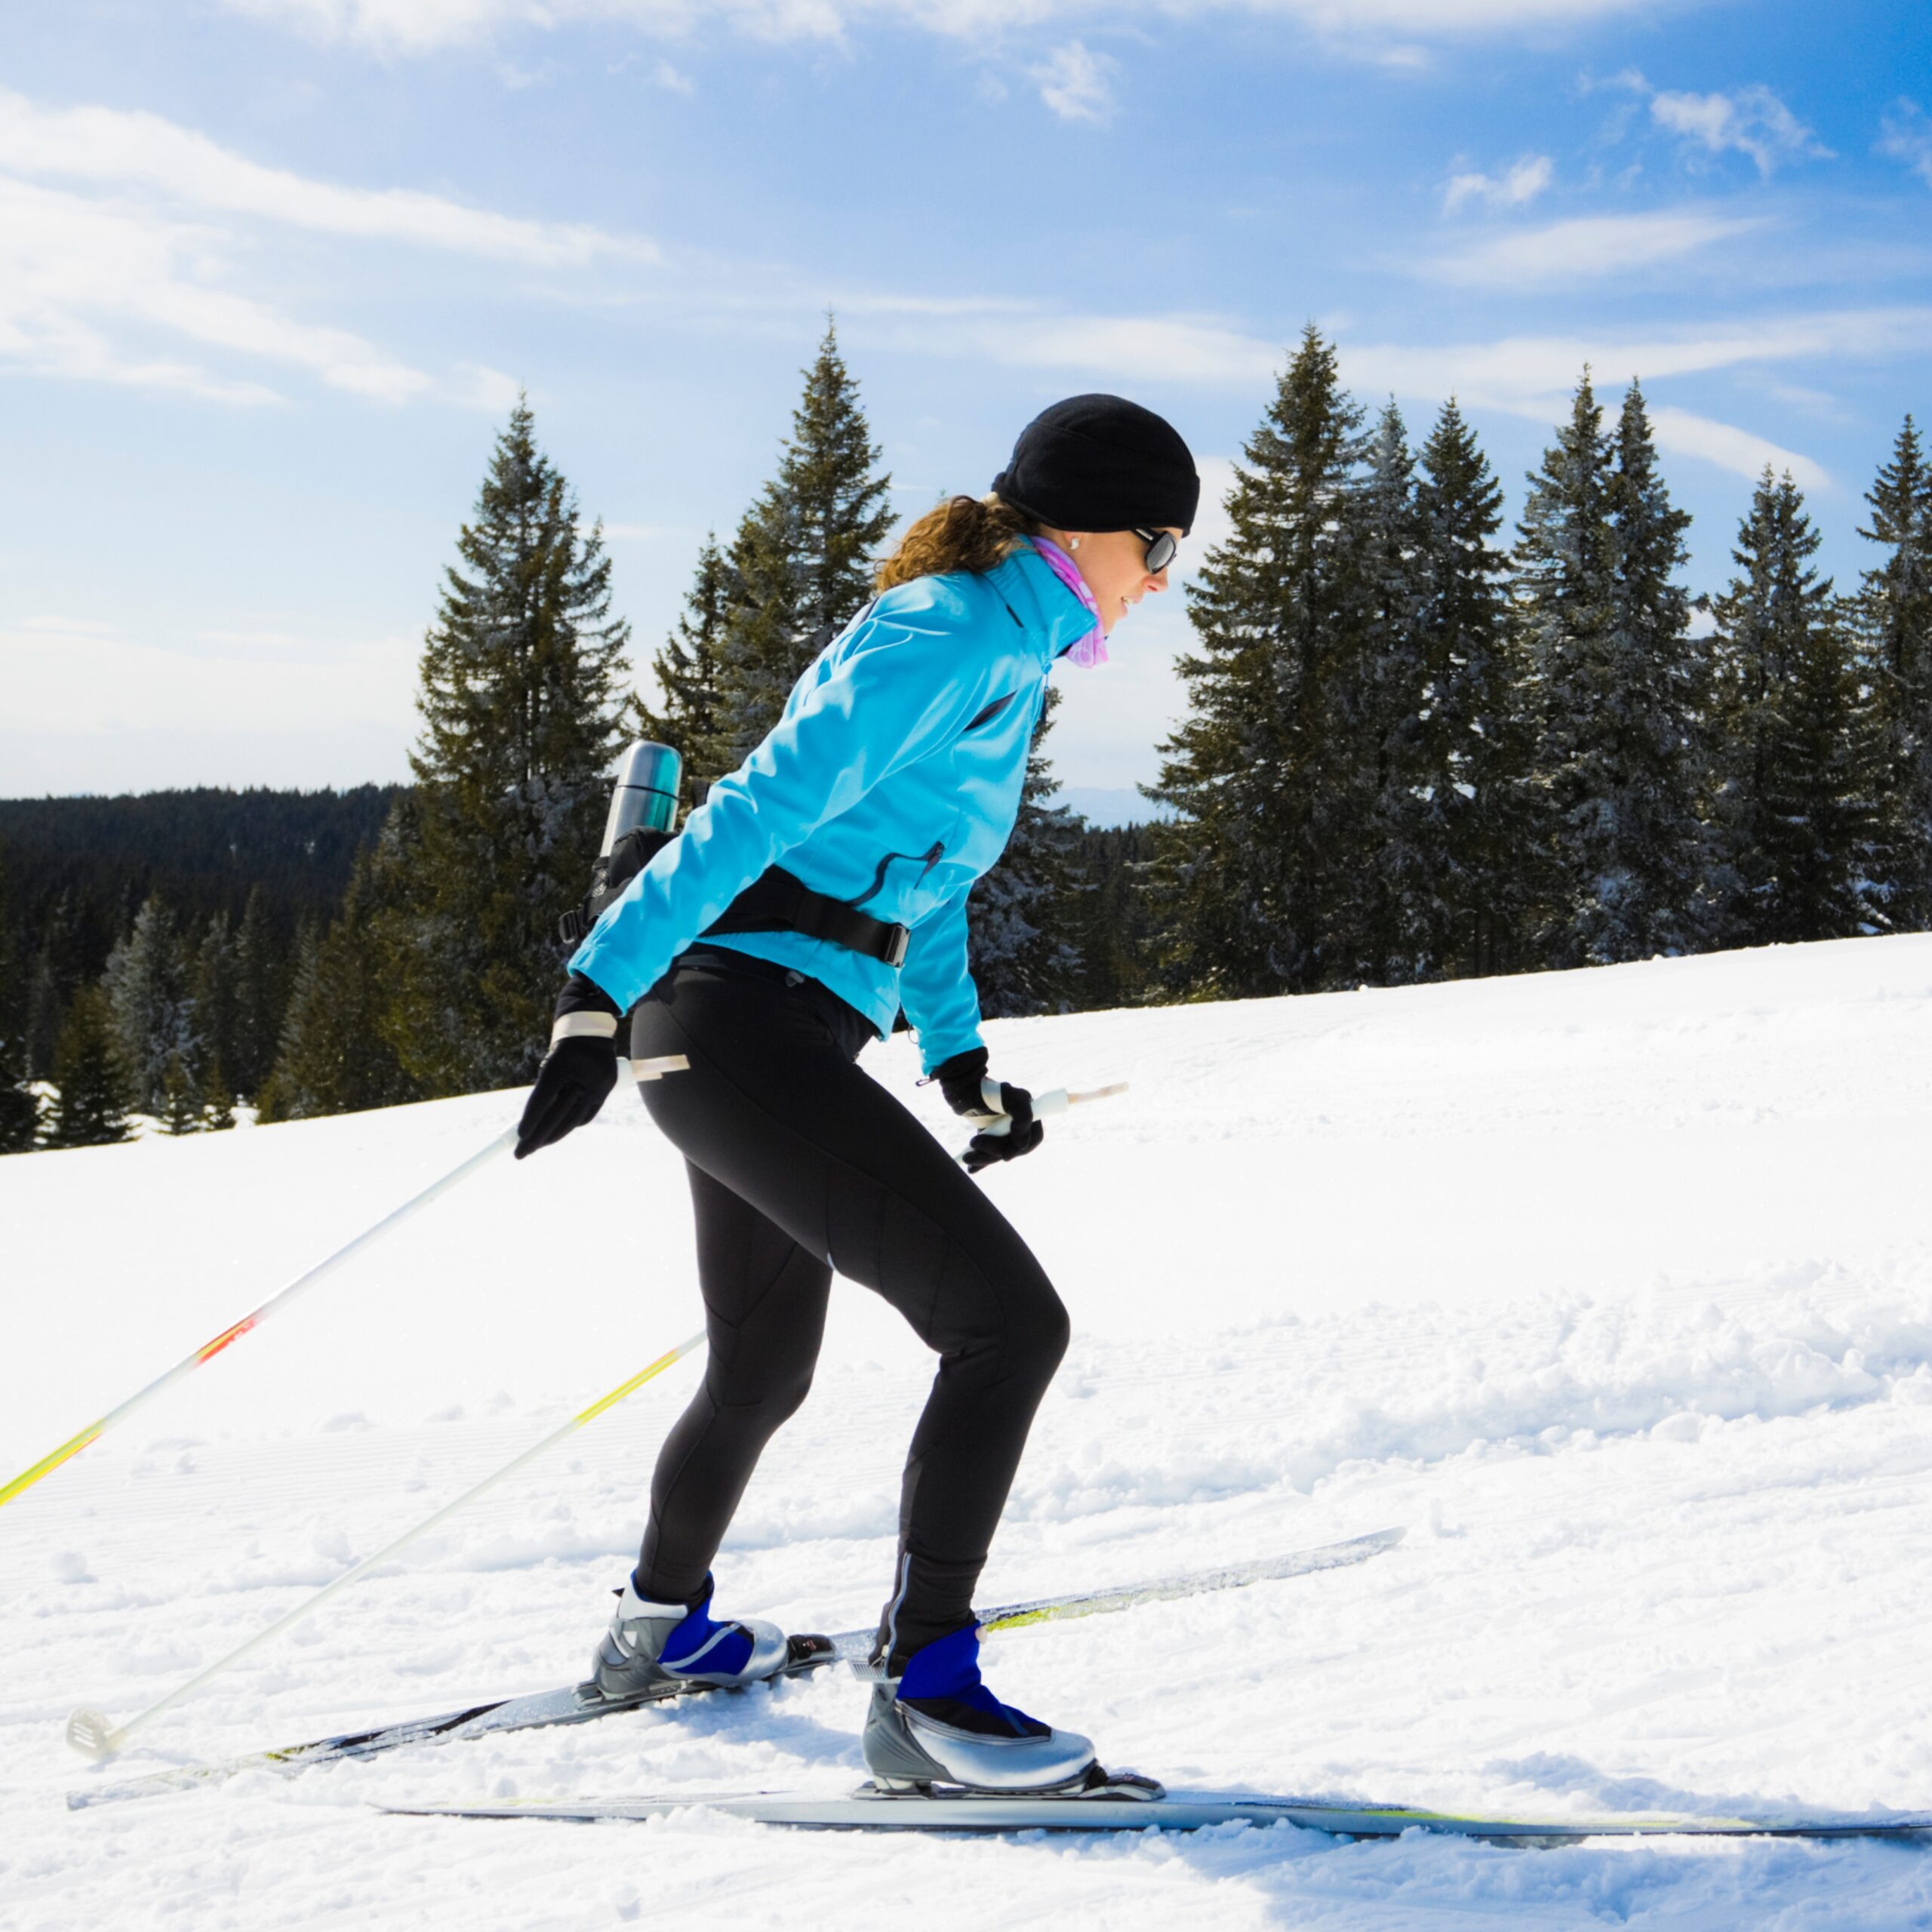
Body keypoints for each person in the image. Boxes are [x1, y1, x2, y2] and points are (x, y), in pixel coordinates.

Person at [515, 393, 1198, 1794]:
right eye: (1163, 550)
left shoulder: (1004, 654)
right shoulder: (946, 631)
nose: (1162, 584)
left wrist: (961, 1067)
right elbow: (760, 803)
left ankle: (658, 1631)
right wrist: (597, 985)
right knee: (1008, 1328)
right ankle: (930, 1694)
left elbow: (925, 894)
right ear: (1100, 530)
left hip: (767, 1038)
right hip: (731, 1025)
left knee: (764, 1367)